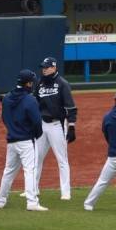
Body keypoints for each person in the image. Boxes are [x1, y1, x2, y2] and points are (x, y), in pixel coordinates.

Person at [0, 70, 48, 211]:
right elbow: (37, 121)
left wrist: (13, 130)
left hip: (12, 140)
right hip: (26, 140)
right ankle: (32, 202)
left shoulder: (7, 97)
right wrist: (36, 135)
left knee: (9, 171)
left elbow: (4, 118)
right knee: (30, 170)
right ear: (29, 83)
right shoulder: (30, 99)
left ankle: (1, 200)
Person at [34, 57, 77, 201]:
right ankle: (33, 188)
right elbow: (35, 102)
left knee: (62, 159)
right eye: (43, 67)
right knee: (36, 158)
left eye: (46, 67)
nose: (44, 69)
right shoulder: (40, 82)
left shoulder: (62, 84)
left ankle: (65, 191)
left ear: (54, 68)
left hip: (56, 125)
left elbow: (71, 107)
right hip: (41, 125)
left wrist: (71, 126)